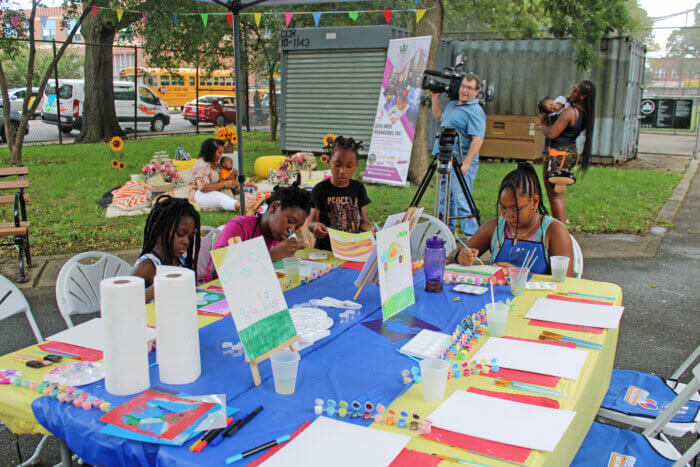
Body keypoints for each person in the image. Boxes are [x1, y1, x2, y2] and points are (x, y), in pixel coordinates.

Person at [450, 162, 574, 277]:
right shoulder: (495, 226)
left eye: (516, 209)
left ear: (535, 202)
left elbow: (566, 282)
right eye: (503, 208)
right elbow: (451, 256)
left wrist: (519, 274)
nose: (508, 215)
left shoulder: (553, 230)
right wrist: (459, 256)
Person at [204, 177, 312, 281]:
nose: (291, 230)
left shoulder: (278, 237)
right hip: (220, 292)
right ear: (274, 207)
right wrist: (271, 256)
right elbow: (216, 272)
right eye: (290, 221)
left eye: (297, 227)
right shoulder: (239, 226)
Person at [431, 73, 486, 235]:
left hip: (460, 162)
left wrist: (467, 163)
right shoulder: (453, 104)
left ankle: (471, 236)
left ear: (476, 92)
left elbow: (478, 139)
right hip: (444, 159)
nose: (465, 90)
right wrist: (435, 97)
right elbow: (439, 118)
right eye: (463, 86)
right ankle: (446, 233)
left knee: (462, 200)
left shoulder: (475, 111)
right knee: (445, 200)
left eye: (469, 88)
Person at [540, 80, 596, 224]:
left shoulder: (570, 112)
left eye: (575, 89)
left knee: (555, 194)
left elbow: (552, 134)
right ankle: (559, 227)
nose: (571, 90)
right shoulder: (583, 112)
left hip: (558, 155)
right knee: (555, 193)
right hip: (567, 153)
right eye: (573, 87)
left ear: (582, 96)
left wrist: (544, 125)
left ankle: (560, 230)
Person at [307, 135, 375, 251]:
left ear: (356, 165)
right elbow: (311, 222)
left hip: (351, 250)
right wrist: (315, 227)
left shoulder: (358, 188)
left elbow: (363, 220)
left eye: (349, 166)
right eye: (337, 165)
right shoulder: (320, 189)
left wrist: (370, 228)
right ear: (328, 162)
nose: (342, 171)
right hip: (326, 250)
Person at [132, 195, 201, 302]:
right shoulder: (148, 266)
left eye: (190, 237)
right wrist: (158, 287)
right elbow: (126, 298)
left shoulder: (180, 260)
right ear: (161, 231)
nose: (186, 241)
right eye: (180, 234)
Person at [188, 138, 240, 211]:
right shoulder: (202, 164)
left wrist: (242, 183)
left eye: (222, 153)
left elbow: (224, 177)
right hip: (199, 194)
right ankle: (240, 206)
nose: (221, 155)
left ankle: (241, 204)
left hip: (213, 192)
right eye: (219, 153)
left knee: (237, 193)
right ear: (211, 152)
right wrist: (224, 185)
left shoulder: (215, 162)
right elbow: (202, 187)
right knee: (220, 198)